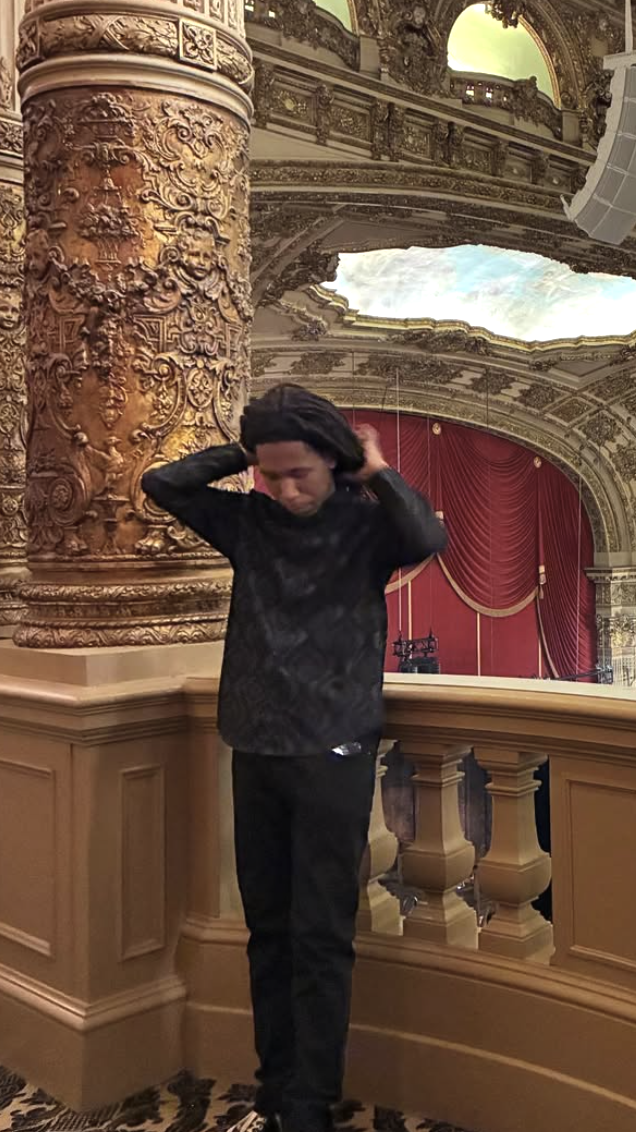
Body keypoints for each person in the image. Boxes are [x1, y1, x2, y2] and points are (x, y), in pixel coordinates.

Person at [141, 383, 447, 1132]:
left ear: (332, 462)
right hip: (255, 742)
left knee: (320, 933)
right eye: (268, 475)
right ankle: (278, 1086)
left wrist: (372, 468)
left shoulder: (365, 525)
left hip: (332, 748)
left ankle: (311, 1100)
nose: (282, 489)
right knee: (268, 929)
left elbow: (427, 539)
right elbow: (161, 483)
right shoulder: (247, 519)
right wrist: (246, 452)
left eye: (297, 473)